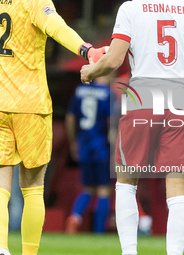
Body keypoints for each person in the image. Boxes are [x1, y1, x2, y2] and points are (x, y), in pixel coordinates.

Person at [0, 1, 106, 255]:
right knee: (33, 189)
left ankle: (0, 249)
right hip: (31, 105)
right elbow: (57, 27)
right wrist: (87, 51)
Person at [81, 1, 184, 254]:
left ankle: (129, 252)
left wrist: (90, 72)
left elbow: (114, 60)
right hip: (182, 105)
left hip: (142, 101)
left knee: (127, 182)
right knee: (178, 191)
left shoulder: (131, 8)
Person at [65, 75, 112, 234]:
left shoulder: (80, 90)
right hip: (101, 146)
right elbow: (111, 122)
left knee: (87, 188)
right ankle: (99, 232)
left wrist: (73, 142)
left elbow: (70, 118)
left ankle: (75, 216)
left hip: (84, 145)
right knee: (104, 190)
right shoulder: (107, 93)